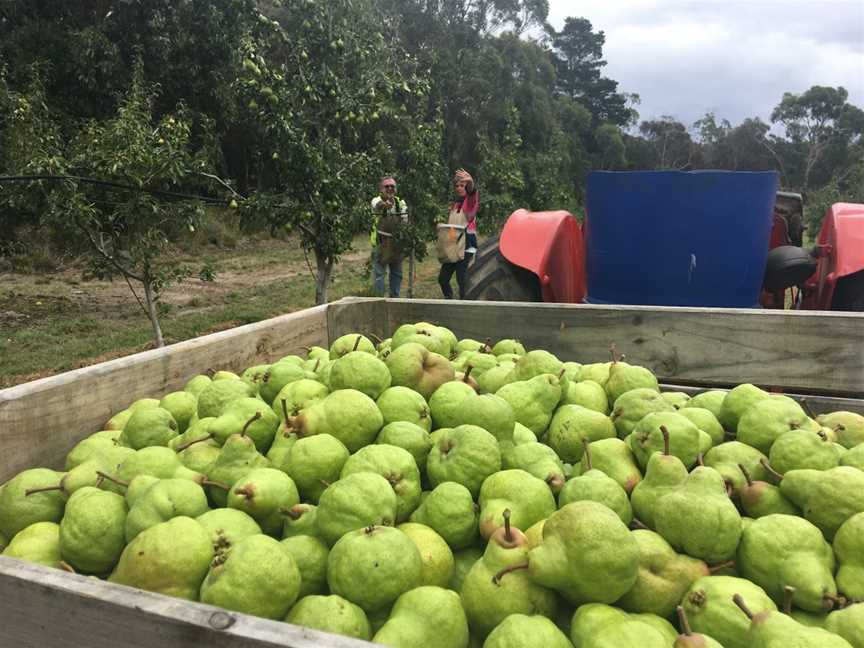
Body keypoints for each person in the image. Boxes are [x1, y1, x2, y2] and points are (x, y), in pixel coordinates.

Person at [436, 168, 479, 299]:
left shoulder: (470, 203)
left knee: (462, 279)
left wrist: (470, 183)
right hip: (454, 244)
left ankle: (464, 305)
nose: (460, 188)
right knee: (443, 279)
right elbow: (453, 227)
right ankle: (449, 301)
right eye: (457, 186)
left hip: (467, 245)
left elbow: (472, 193)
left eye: (463, 185)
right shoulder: (455, 204)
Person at [370, 175, 408, 298]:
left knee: (397, 273)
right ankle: (379, 301)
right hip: (381, 243)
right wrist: (385, 205)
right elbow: (378, 205)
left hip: (396, 243)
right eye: (387, 186)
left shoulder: (400, 202)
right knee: (379, 275)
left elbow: (405, 218)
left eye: (392, 186)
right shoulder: (376, 200)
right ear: (381, 189)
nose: (390, 188)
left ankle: (395, 299)